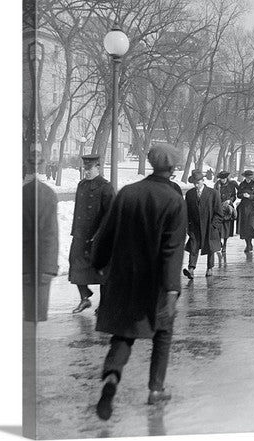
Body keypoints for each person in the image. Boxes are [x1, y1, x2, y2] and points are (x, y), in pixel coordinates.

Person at [92, 143, 187, 420]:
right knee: (163, 333)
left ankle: (111, 377)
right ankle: (156, 389)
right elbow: (172, 249)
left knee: (123, 333)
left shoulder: (128, 193)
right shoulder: (173, 200)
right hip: (155, 283)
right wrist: (171, 289)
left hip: (122, 279)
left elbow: (106, 232)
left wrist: (98, 264)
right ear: (172, 168)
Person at [68, 154, 114, 314]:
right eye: (84, 169)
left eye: (89, 169)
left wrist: (101, 234)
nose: (86, 172)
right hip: (81, 236)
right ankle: (84, 298)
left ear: (98, 168)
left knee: (102, 272)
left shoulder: (105, 187)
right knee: (75, 266)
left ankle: (104, 305)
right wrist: (75, 232)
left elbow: (110, 214)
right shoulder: (82, 185)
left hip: (98, 237)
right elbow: (78, 211)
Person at [23, 148, 58, 322]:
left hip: (24, 266)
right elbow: (51, 235)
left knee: (28, 316)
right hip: (42, 265)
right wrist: (49, 268)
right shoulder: (49, 194)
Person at [183, 171, 223, 279]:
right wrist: (188, 226)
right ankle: (191, 269)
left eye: (198, 182)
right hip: (195, 226)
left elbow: (219, 213)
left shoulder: (213, 193)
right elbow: (186, 211)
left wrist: (213, 226)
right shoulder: (190, 194)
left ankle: (209, 268)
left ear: (203, 181)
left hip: (209, 226)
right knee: (193, 247)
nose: (196, 185)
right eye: (194, 183)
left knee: (210, 247)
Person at [236, 169, 254, 253]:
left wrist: (250, 196)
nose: (248, 179)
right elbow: (238, 195)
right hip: (243, 207)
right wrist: (243, 195)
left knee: (251, 226)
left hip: (252, 207)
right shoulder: (242, 184)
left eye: (250, 177)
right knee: (244, 227)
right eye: (247, 177)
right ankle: (247, 244)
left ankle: (250, 243)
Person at [214, 171, 237, 258]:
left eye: (224, 178)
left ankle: (225, 244)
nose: (223, 180)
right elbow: (214, 195)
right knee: (218, 227)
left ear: (227, 178)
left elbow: (234, 196)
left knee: (227, 228)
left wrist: (230, 201)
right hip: (219, 208)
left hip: (228, 209)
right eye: (221, 179)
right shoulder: (217, 185)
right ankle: (219, 242)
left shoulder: (231, 185)